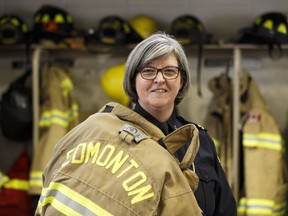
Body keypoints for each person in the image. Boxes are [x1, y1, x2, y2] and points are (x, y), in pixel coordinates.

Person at [35, 32, 236, 216]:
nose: (159, 79)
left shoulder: (199, 142)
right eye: (148, 71)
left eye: (169, 71)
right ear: (133, 80)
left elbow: (225, 209)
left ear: (181, 81)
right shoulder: (103, 135)